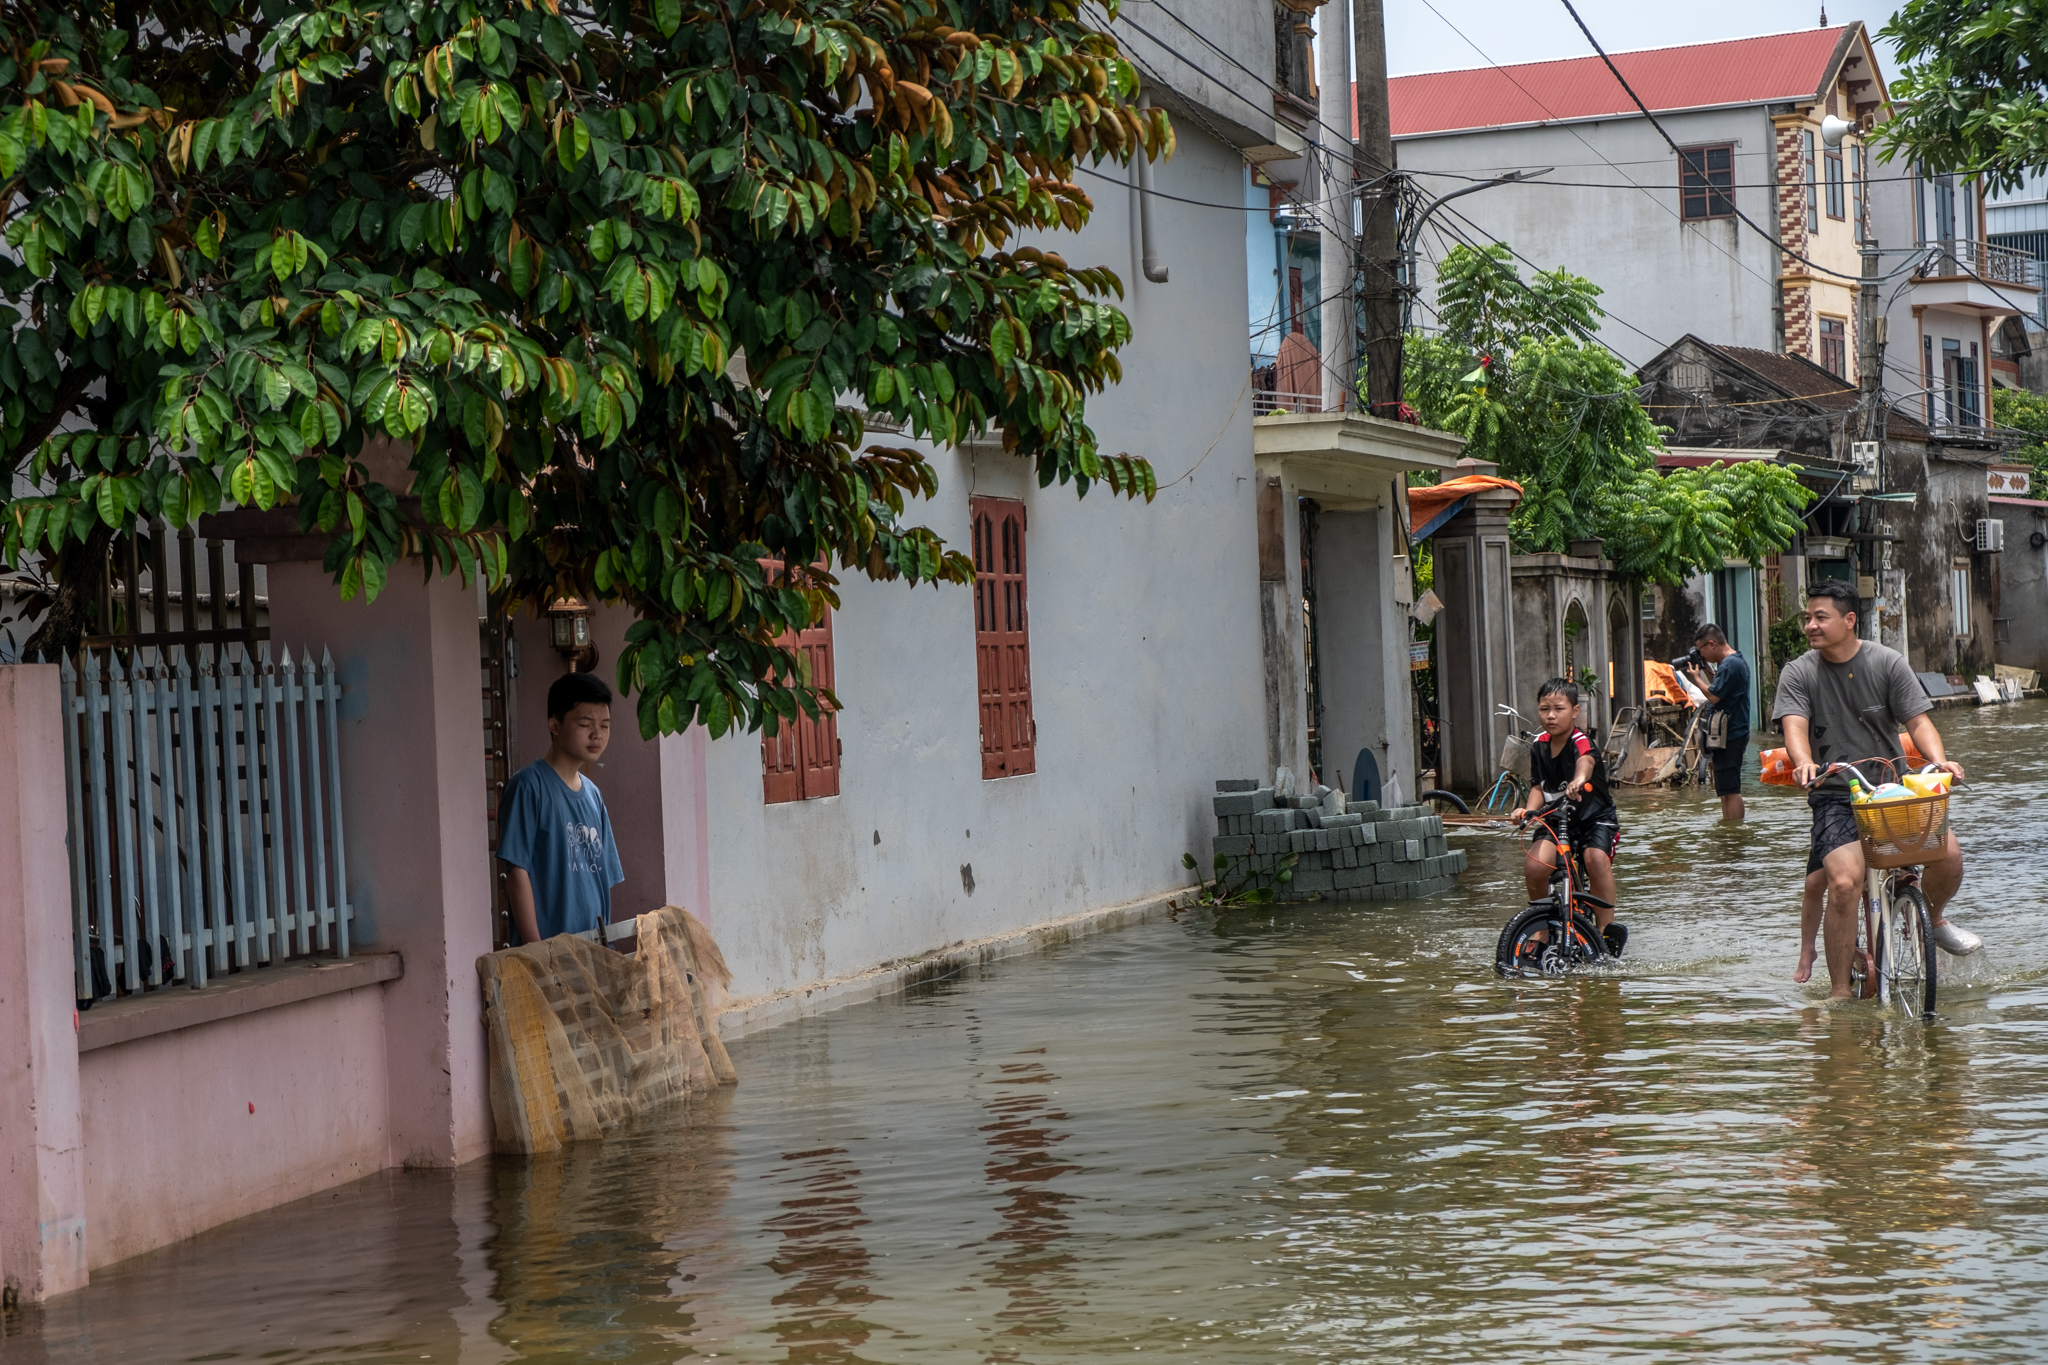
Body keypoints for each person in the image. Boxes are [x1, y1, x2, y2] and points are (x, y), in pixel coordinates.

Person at [1773, 580, 1979, 997]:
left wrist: (1938, 760)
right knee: (1843, 883)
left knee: (1950, 854)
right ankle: (1838, 991)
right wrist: (1804, 762)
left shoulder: (1887, 662)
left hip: (1889, 791)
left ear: (1849, 620)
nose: (1810, 626)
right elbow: (1793, 726)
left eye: (1820, 617)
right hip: (1834, 794)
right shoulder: (1798, 672)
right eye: (1807, 618)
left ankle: (1934, 919)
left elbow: (1918, 721)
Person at [497, 672, 626, 948]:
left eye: (605, 725)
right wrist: (539, 954)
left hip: (594, 958)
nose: (597, 734)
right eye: (585, 724)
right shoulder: (529, 787)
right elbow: (516, 873)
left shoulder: (593, 796)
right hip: (549, 959)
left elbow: (601, 881)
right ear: (554, 725)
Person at [1512, 677, 1626, 955]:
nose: (1550, 716)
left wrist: (1579, 780)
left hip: (1594, 817)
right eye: (1544, 709)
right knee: (1535, 866)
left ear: (1575, 711)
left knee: (1595, 859)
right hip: (1555, 817)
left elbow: (1585, 762)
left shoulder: (1581, 740)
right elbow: (1538, 786)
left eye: (1558, 709)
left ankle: (1603, 934)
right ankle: (1540, 930)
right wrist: (1527, 811)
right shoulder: (1538, 744)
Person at [1685, 623, 1752, 822]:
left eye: (1701, 650)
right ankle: (1728, 829)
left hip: (1732, 734)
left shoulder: (1731, 664)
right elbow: (1718, 684)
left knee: (1731, 789)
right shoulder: (1730, 663)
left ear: (1711, 644)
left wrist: (1696, 677)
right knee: (1724, 789)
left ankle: (1735, 832)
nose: (1701, 654)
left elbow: (1714, 696)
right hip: (1727, 734)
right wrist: (1704, 668)